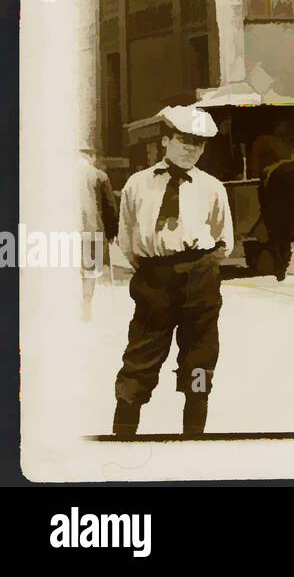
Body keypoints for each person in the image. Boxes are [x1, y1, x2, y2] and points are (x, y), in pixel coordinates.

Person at [112, 105, 233, 436]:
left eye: (198, 143)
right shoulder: (138, 184)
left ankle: (193, 436)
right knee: (140, 356)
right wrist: (155, 269)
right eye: (183, 140)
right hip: (155, 278)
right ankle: (123, 436)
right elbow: (126, 237)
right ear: (165, 140)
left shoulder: (212, 188)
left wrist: (200, 267)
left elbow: (224, 240)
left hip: (200, 277)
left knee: (200, 356)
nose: (190, 148)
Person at [77, 147, 119, 322]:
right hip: (92, 230)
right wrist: (111, 233)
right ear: (91, 156)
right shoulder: (100, 176)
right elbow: (110, 207)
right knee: (91, 271)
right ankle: (87, 306)